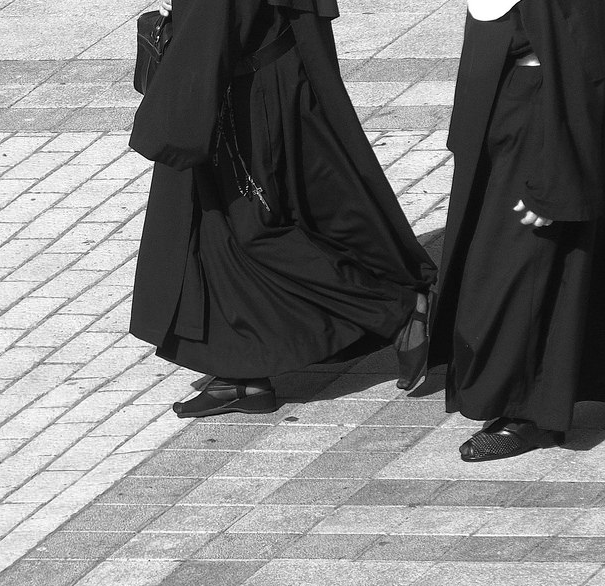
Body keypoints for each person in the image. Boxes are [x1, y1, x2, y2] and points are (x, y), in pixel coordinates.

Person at [129, 0, 438, 418]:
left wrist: (173, 114)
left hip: (244, 91)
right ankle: (242, 374)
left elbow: (215, 19)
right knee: (217, 227)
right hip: (253, 74)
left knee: (253, 229)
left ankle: (397, 311)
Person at [433, 0, 605, 461]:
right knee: (580, 255)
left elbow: (581, 64)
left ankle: (530, 411)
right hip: (506, 107)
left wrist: (555, 180)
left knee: (516, 270)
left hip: (546, 121)